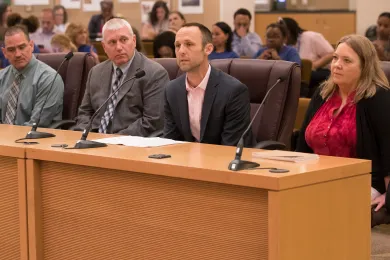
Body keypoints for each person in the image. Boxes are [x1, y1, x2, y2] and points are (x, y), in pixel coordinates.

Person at [295, 35, 390, 227]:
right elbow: (302, 148)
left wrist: (389, 197)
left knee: (319, 208)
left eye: (346, 61)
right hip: (317, 178)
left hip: (362, 182)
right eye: (335, 58)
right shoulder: (323, 93)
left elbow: (388, 151)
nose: (337, 65)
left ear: (365, 66)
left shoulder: (378, 98)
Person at [74, 18, 169, 136]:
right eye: (112, 42)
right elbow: (85, 112)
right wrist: (85, 135)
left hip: (130, 144)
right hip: (95, 140)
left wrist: (113, 140)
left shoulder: (154, 73)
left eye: (124, 40)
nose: (119, 47)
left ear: (134, 41)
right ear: (104, 47)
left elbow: (152, 122)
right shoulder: (96, 72)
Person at [164, 23, 252, 146]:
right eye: (177, 45)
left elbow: (230, 147)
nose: (181, 51)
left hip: (221, 161)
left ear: (208, 49)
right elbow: (171, 142)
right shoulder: (172, 89)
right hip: (185, 160)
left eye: (189, 44)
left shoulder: (234, 91)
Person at [0, 26, 64, 127]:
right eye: (11, 50)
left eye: (22, 47)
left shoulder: (49, 79)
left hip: (35, 140)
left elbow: (37, 124)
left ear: (31, 46)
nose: (17, 54)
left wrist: (8, 136)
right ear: (4, 53)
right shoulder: (1, 77)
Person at [281, 17, 333, 93]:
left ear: (288, 32)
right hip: (303, 73)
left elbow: (331, 54)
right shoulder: (287, 46)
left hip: (321, 71)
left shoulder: (310, 36)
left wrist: (314, 66)